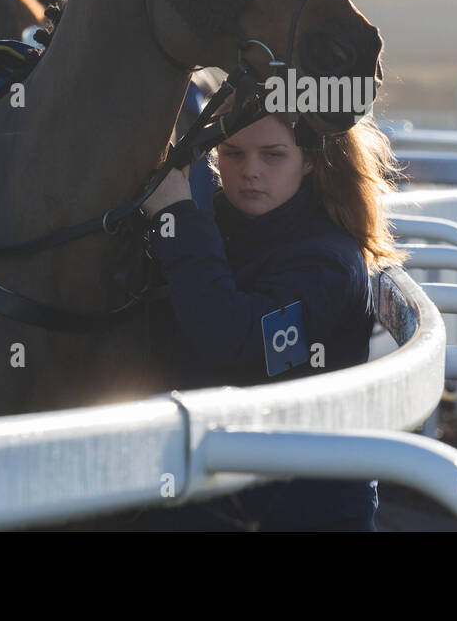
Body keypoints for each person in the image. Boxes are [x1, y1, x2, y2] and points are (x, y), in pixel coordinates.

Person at [138, 105, 406, 531]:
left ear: (311, 158)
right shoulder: (214, 225)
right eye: (233, 153)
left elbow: (241, 347)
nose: (251, 171)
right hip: (213, 495)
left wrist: (176, 219)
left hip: (310, 511)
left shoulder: (329, 260)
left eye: (273, 154)